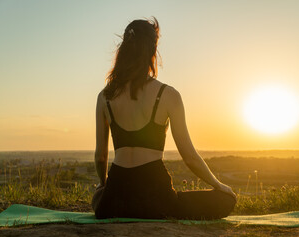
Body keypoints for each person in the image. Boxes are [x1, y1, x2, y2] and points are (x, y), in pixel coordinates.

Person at [92, 17, 236, 220]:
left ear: (123, 49)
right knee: (226, 199)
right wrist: (218, 185)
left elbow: (100, 157)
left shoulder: (104, 97)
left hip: (115, 200)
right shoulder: (168, 95)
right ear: (152, 51)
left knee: (98, 195)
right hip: (157, 200)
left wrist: (103, 184)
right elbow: (190, 157)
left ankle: (106, 196)